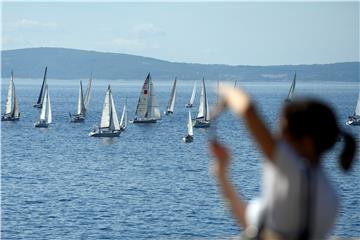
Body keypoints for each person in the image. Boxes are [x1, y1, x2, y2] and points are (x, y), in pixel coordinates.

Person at [209, 85, 356, 240]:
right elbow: (253, 226)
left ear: (307, 142)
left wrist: (227, 91)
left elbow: (248, 110)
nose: (276, 137)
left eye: (283, 131)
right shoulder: (329, 196)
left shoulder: (292, 171)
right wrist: (221, 174)